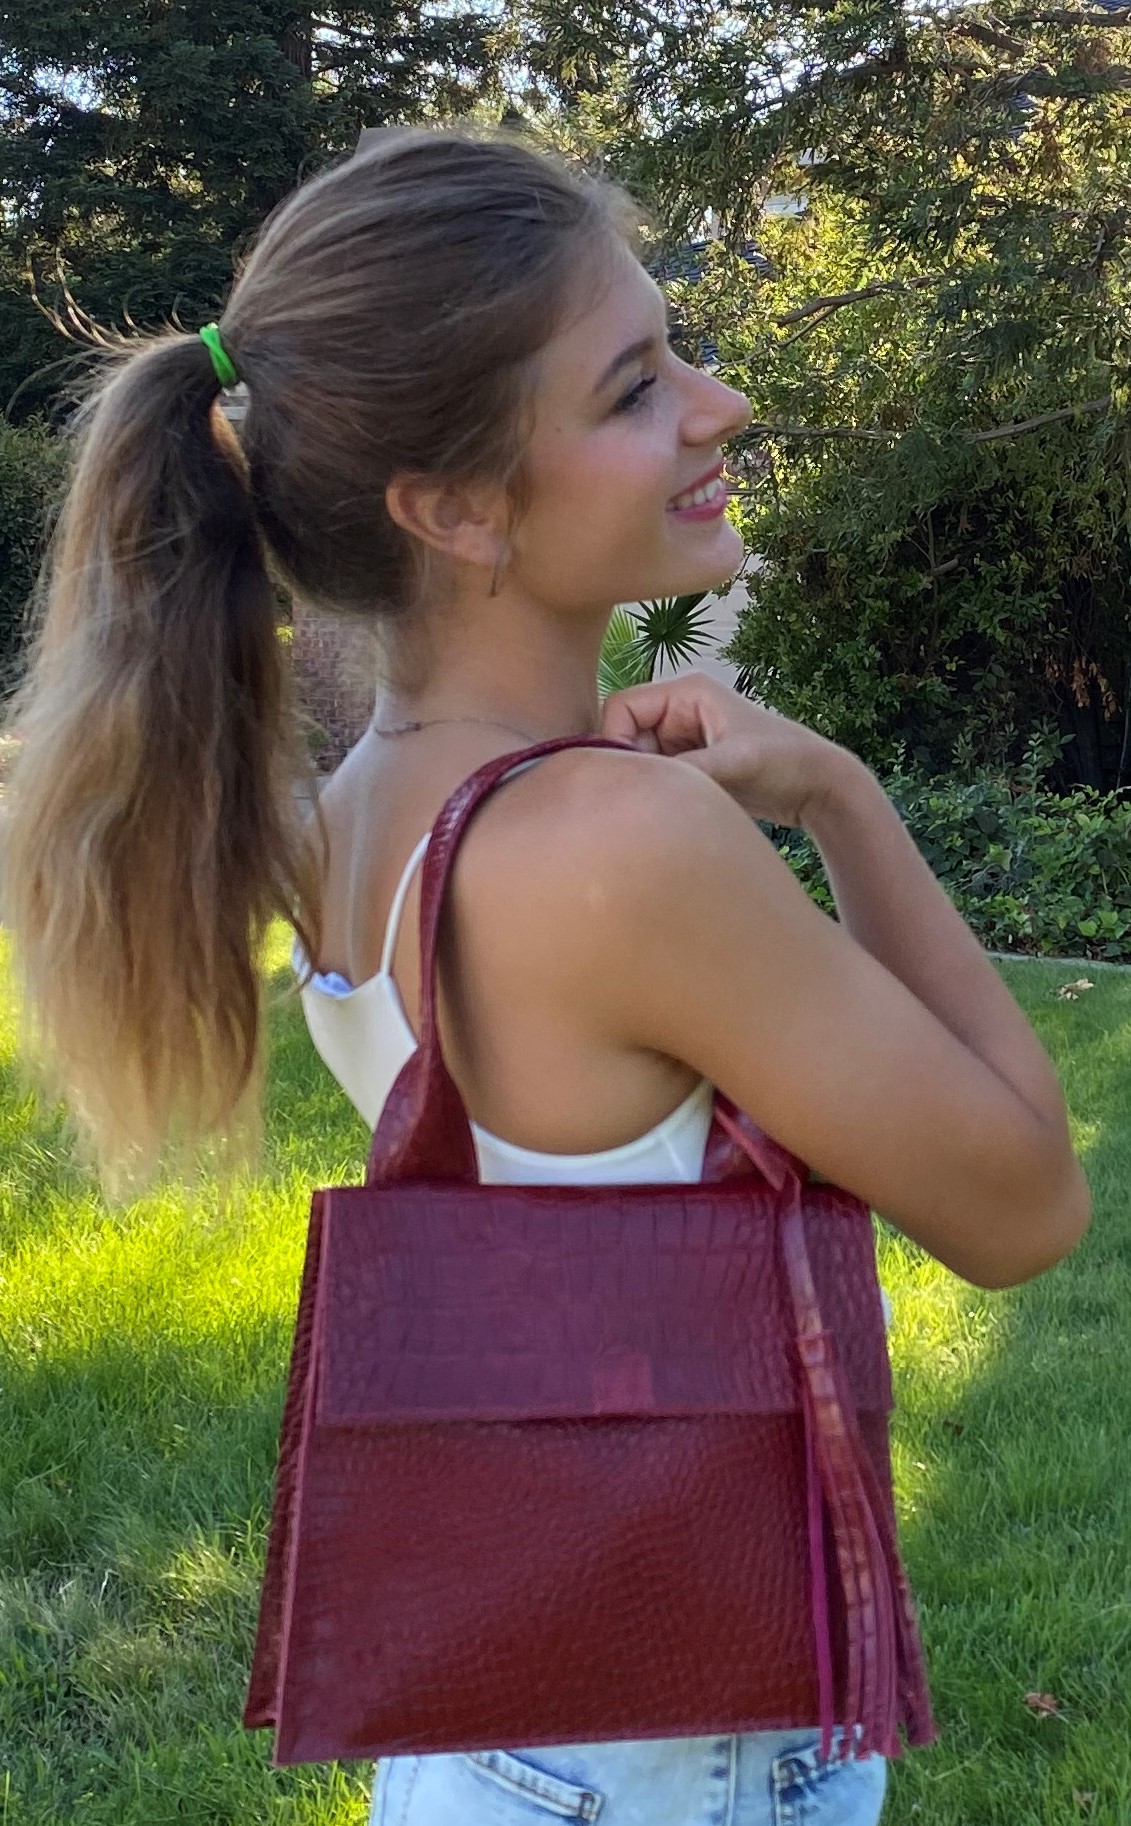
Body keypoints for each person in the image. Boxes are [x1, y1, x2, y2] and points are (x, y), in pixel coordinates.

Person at [2, 125, 1090, 1826]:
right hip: (689, 1750)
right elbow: (1023, 1204)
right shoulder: (616, 847)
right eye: (635, 386)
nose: (718, 409)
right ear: (450, 508)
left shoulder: (348, 815)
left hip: (492, 1729)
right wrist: (842, 795)